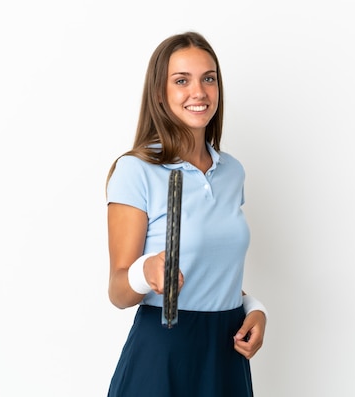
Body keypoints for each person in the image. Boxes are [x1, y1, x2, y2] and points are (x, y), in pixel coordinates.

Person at [105, 31, 267, 397]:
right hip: (163, 354)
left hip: (226, 353)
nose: (199, 92)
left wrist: (253, 308)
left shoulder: (232, 172)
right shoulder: (136, 170)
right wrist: (145, 272)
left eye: (209, 78)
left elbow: (213, 270)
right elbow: (117, 290)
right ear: (160, 93)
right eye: (182, 81)